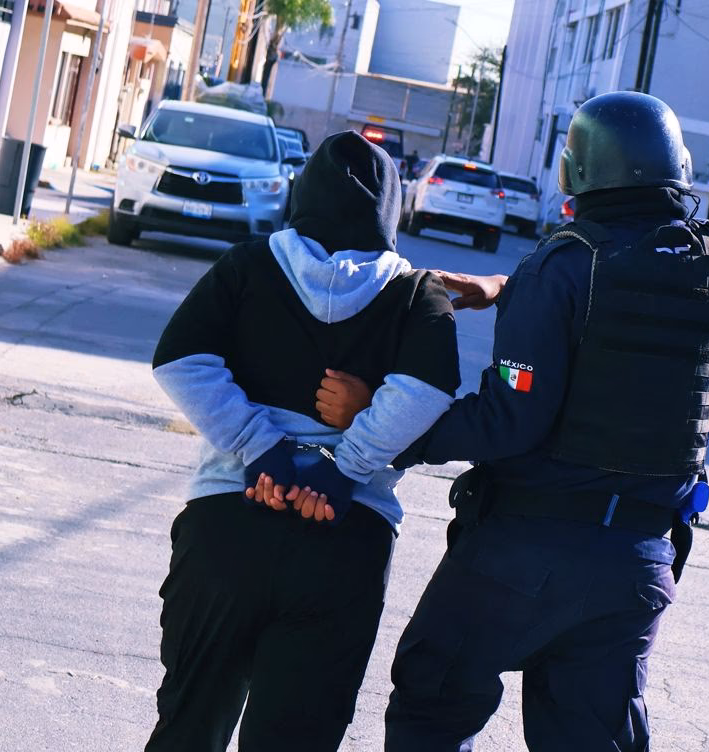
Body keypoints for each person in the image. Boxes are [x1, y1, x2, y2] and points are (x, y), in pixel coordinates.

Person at [320, 91, 709, 750]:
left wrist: (386, 423)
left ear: (576, 171)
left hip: (529, 552)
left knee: (433, 702)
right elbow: (624, 305)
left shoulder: (565, 265)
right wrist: (511, 287)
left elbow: (507, 423)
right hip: (640, 560)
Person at [144, 132, 465, 751]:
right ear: (391, 213)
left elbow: (180, 359)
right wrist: (343, 471)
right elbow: (427, 390)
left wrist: (263, 451)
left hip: (227, 521)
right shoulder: (416, 292)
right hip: (346, 538)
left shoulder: (247, 264)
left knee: (189, 723)